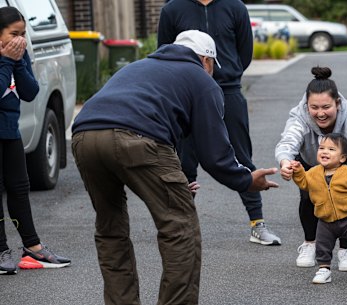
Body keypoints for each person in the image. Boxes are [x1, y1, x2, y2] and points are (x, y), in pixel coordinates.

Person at [71, 30, 278, 305]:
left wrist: (177, 180)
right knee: (180, 229)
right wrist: (246, 180)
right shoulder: (202, 81)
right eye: (213, 67)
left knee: (111, 229)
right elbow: (215, 155)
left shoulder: (139, 67)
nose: (214, 73)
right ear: (206, 60)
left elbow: (156, 126)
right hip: (138, 138)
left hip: (84, 136)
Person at [157, 0, 282, 245]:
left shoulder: (235, 7)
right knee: (184, 161)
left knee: (241, 157)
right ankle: (180, 226)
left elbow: (244, 54)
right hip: (185, 92)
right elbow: (164, 50)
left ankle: (257, 224)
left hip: (228, 91)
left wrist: (227, 74)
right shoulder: (172, 9)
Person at [275, 66, 347, 271]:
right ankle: (310, 243)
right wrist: (285, 161)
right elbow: (288, 142)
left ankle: (346, 249)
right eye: (314, 107)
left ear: (337, 104)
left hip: (346, 162)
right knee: (308, 197)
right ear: (307, 105)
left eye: (326, 107)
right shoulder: (300, 116)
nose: (320, 113)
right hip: (310, 162)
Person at [0, 6, 70, 275]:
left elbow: (29, 92)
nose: (20, 39)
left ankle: (33, 247)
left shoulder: (18, 54)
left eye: (23, 33)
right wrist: (6, 61)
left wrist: (17, 61)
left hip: (10, 131)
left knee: (20, 188)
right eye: (13, 33)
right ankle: (1, 250)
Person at [290, 133, 347, 285]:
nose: (324, 151)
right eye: (321, 148)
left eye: (331, 149)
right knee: (323, 247)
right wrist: (298, 171)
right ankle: (324, 270)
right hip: (325, 220)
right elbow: (303, 183)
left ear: (342, 158)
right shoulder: (313, 173)